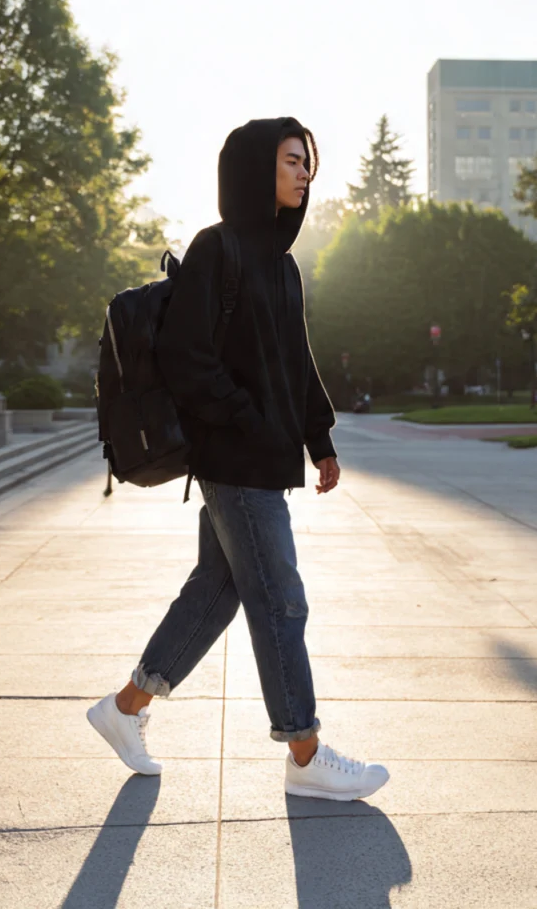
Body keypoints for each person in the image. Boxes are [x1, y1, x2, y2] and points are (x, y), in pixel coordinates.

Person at [87, 117, 389, 802]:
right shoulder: (216, 250)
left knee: (215, 594)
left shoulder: (282, 266)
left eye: (308, 162)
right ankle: (306, 753)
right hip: (234, 460)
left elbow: (295, 363)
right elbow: (184, 356)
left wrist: (321, 440)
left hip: (263, 460)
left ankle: (125, 708)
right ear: (257, 168)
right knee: (281, 600)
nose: (304, 173)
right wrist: (246, 422)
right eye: (291, 160)